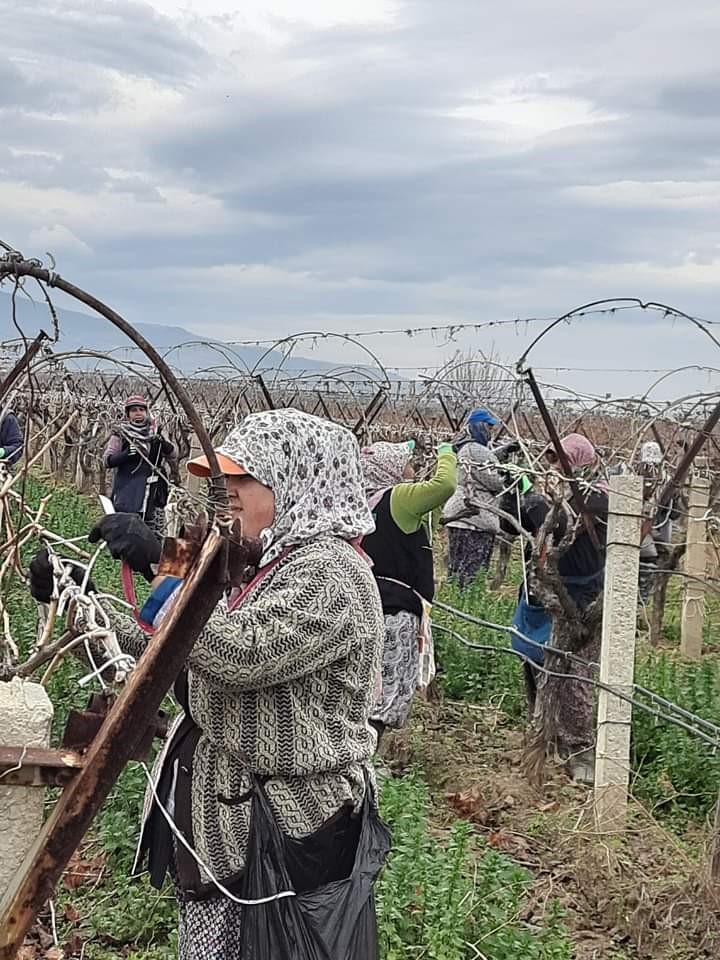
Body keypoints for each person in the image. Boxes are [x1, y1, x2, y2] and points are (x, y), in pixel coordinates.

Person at [31, 409, 390, 960]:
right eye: (224, 481)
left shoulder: (331, 573)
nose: (229, 494)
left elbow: (240, 650)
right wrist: (82, 600)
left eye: (245, 480)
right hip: (227, 821)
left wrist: (161, 557)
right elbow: (167, 639)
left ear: (299, 479)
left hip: (285, 826)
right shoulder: (269, 561)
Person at [522, 433, 609, 783]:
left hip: (582, 597)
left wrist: (540, 501)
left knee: (576, 674)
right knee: (533, 657)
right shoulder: (559, 496)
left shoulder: (596, 498)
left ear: (579, 463)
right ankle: (545, 730)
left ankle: (579, 748)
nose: (552, 468)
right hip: (547, 592)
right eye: (549, 460)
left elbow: (559, 526)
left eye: (559, 462)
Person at [360, 439, 457, 738]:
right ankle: (366, 765)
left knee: (367, 691)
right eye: (406, 462)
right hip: (396, 612)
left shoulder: (363, 499)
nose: (413, 469)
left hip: (367, 604)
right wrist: (447, 452)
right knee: (384, 699)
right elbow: (444, 485)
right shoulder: (399, 497)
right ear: (390, 469)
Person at [441, 407, 503, 587]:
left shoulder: (465, 446)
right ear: (480, 427)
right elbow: (494, 481)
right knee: (472, 574)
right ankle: (464, 605)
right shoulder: (476, 449)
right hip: (475, 519)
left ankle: (455, 606)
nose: (491, 433)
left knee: (457, 570)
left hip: (460, 515)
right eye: (489, 428)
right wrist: (508, 477)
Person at [104, 396, 178, 534]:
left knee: (153, 532)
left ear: (146, 412)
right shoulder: (121, 434)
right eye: (133, 410)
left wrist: (164, 444)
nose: (138, 413)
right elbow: (107, 461)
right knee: (127, 532)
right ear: (128, 414)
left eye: (141, 409)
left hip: (154, 492)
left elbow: (173, 455)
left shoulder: (157, 431)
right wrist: (127, 454)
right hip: (128, 491)